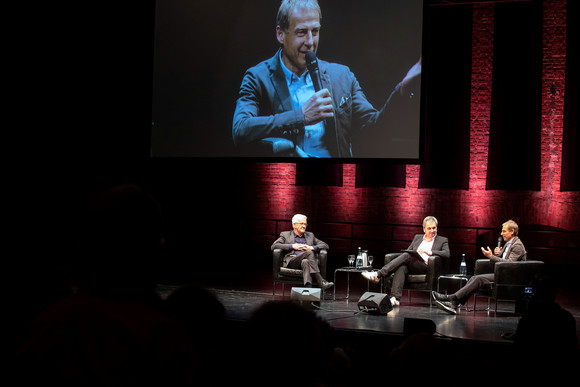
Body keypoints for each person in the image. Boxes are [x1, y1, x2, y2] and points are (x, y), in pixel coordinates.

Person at [232, 0, 421, 157]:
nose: (310, 42)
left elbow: (373, 128)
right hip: (285, 179)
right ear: (280, 34)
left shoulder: (341, 76)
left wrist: (402, 91)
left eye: (315, 31)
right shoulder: (258, 77)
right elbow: (240, 129)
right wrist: (301, 117)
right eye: (301, 32)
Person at [433, 219, 527, 315]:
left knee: (479, 279)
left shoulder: (517, 245)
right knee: (474, 277)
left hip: (510, 278)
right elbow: (503, 261)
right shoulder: (509, 243)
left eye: (504, 231)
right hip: (502, 274)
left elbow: (509, 264)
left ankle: (452, 298)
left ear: (512, 231)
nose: (501, 233)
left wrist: (491, 257)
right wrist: (497, 255)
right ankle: (454, 303)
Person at [362, 216, 450, 306]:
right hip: (413, 264)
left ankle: (378, 274)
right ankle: (395, 298)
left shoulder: (442, 240)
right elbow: (409, 251)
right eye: (429, 228)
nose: (432, 230)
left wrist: (430, 252)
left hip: (426, 266)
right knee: (402, 267)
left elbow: (447, 254)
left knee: (407, 256)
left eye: (434, 228)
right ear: (424, 229)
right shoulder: (417, 238)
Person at [271, 213, 333, 289]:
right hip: (293, 260)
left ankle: (308, 289)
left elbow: (325, 245)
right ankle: (321, 281)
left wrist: (312, 247)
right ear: (294, 225)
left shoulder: (310, 235)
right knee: (309, 253)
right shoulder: (285, 235)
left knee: (305, 261)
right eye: (301, 223)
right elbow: (274, 246)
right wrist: (292, 246)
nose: (304, 226)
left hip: (308, 261)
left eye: (305, 224)